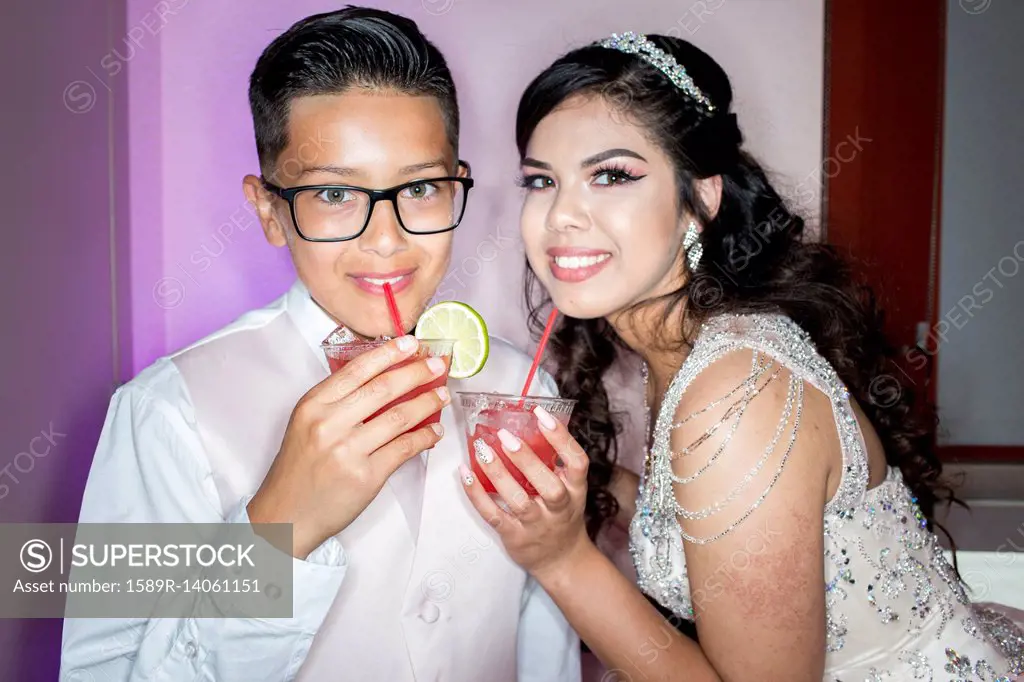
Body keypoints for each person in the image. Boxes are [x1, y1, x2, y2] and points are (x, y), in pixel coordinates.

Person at [459, 31, 1024, 681]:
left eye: (611, 175)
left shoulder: (737, 395)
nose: (561, 217)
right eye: (541, 180)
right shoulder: (701, 347)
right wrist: (605, 482)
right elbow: (715, 521)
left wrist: (560, 559)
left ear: (701, 199)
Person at [59, 8, 580, 681]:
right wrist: (278, 529)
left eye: (420, 188)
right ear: (270, 211)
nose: (385, 238)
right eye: (335, 193)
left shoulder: (523, 388)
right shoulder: (164, 414)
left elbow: (544, 642)